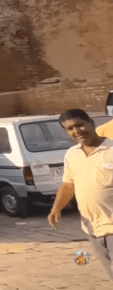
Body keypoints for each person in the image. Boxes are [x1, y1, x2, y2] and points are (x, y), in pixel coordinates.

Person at [49, 109, 113, 281]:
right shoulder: (72, 154)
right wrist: (56, 208)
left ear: (91, 123)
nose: (76, 131)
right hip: (91, 227)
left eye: (79, 125)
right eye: (70, 128)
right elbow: (68, 184)